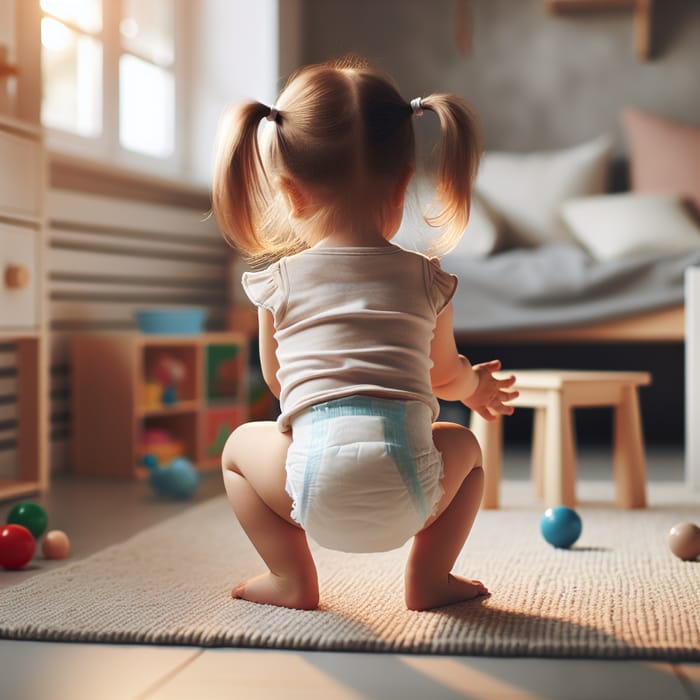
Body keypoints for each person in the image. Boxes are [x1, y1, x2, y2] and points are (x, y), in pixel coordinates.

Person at [212, 56, 518, 612]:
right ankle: (429, 577)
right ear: (403, 186)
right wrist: (474, 386)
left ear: (291, 192)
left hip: (307, 487)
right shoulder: (429, 278)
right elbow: (444, 376)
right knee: (465, 447)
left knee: (236, 450)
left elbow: (283, 385)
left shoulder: (276, 282)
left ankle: (290, 577)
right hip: (414, 489)